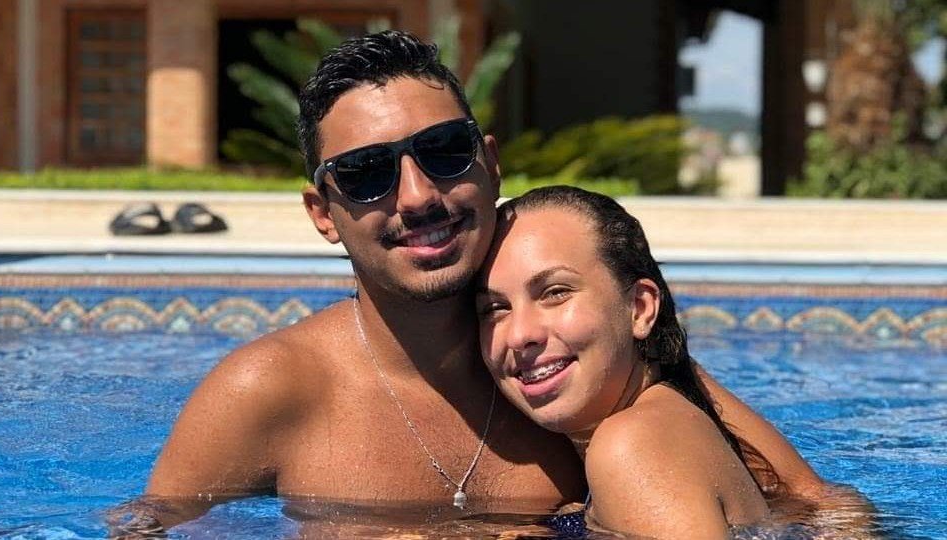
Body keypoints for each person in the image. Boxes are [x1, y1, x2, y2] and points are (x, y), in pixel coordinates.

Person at [125, 30, 826, 534]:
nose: (417, 196)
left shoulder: (576, 358)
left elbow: (821, 507)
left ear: (490, 164)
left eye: (443, 151)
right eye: (366, 174)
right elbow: (144, 530)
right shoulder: (269, 391)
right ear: (323, 214)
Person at [476, 185, 770, 538]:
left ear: (640, 308)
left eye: (556, 293)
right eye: (495, 308)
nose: (519, 334)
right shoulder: (669, 419)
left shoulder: (632, 446)